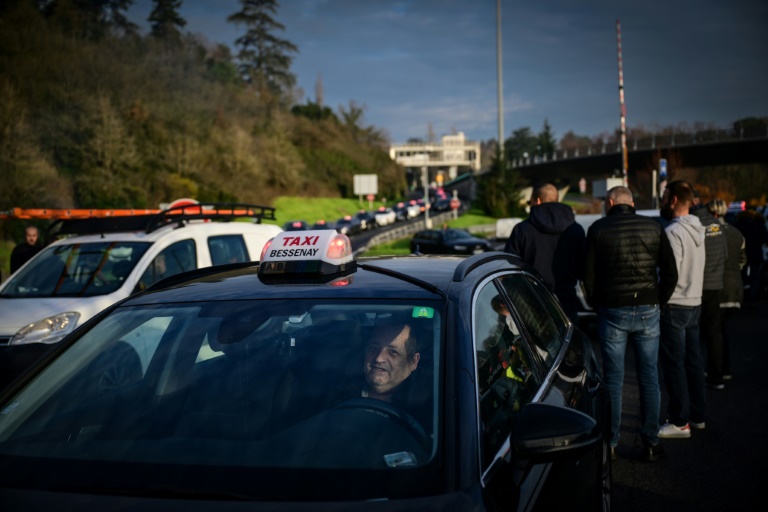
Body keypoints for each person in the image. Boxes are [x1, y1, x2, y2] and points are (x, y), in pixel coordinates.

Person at [583, 186, 678, 462]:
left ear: (610, 203)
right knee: (649, 378)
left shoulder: (598, 229)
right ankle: (650, 442)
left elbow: (587, 276)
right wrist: (658, 300)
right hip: (648, 307)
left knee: (613, 379)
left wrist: (596, 303)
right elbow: (670, 271)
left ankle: (610, 442)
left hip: (612, 309)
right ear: (632, 203)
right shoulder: (653, 226)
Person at [657, 180, 707, 439]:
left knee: (674, 364)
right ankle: (698, 416)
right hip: (694, 301)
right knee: (693, 362)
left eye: (665, 197)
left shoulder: (673, 231)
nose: (663, 201)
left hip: (675, 303)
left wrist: (660, 300)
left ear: (674, 200)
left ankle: (679, 422)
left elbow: (669, 273)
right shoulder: (699, 228)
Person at [504, 183, 585, 324]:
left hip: (531, 301)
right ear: (557, 200)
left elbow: (509, 268)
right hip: (567, 299)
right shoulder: (576, 230)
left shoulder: (522, 230)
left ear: (538, 200)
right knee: (571, 343)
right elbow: (583, 267)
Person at [690, 191, 728, 389]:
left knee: (694, 333)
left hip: (699, 286)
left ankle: (695, 376)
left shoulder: (695, 226)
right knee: (714, 333)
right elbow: (726, 254)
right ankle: (716, 375)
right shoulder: (718, 227)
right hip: (716, 285)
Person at [707, 199, 746, 381]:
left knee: (714, 331)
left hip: (715, 288)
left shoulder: (710, 232)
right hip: (734, 288)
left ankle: (716, 370)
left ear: (713, 213)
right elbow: (742, 260)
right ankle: (725, 368)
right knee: (721, 330)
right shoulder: (737, 233)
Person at [734, 207, 768, 304]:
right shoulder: (759, 224)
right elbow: (765, 240)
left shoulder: (738, 224)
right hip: (756, 255)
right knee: (755, 279)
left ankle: (741, 297)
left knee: (741, 277)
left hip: (742, 255)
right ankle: (752, 299)